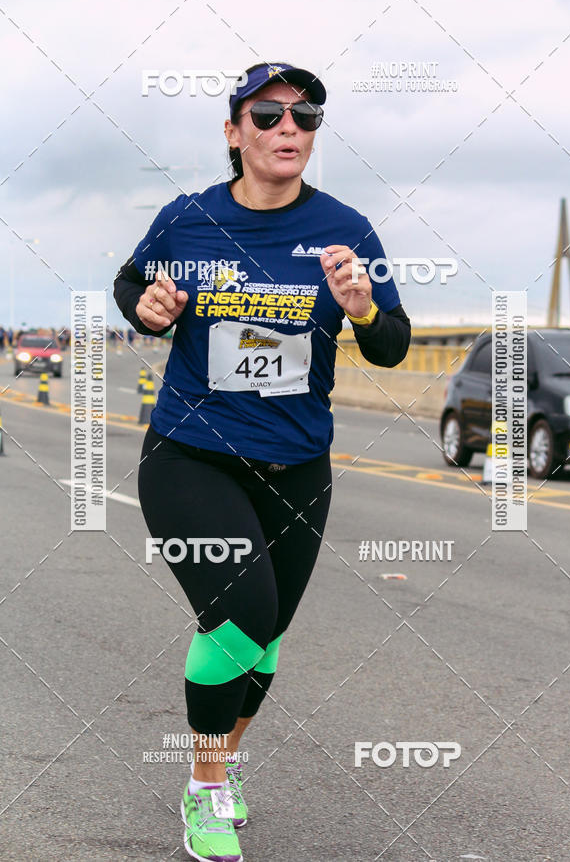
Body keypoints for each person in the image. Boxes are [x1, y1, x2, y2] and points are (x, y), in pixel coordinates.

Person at [113, 61, 411, 862]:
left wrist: (365, 308)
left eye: (306, 116)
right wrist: (147, 305)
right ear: (234, 130)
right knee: (239, 617)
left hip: (297, 466)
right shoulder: (188, 217)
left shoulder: (348, 232)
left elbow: (393, 346)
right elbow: (130, 281)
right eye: (270, 114)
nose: (289, 128)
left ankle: (221, 765)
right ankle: (206, 788)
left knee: (267, 635)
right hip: (191, 454)